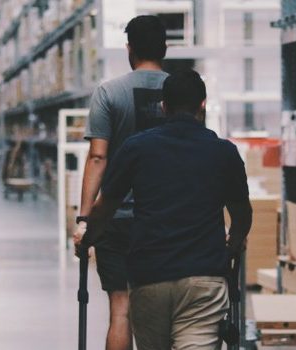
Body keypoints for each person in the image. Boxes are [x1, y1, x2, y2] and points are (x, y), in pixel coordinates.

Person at [77, 70, 253, 349]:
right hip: (203, 276)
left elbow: (105, 207)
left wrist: (87, 235)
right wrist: (232, 245)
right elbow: (243, 215)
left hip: (149, 276)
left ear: (163, 107)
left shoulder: (136, 148)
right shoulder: (224, 152)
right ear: (202, 105)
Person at [73, 15, 169, 350]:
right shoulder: (182, 92)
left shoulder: (109, 93)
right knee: (162, 310)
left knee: (121, 308)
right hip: (164, 220)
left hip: (116, 219)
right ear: (165, 48)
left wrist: (85, 219)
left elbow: (98, 157)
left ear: (129, 48)